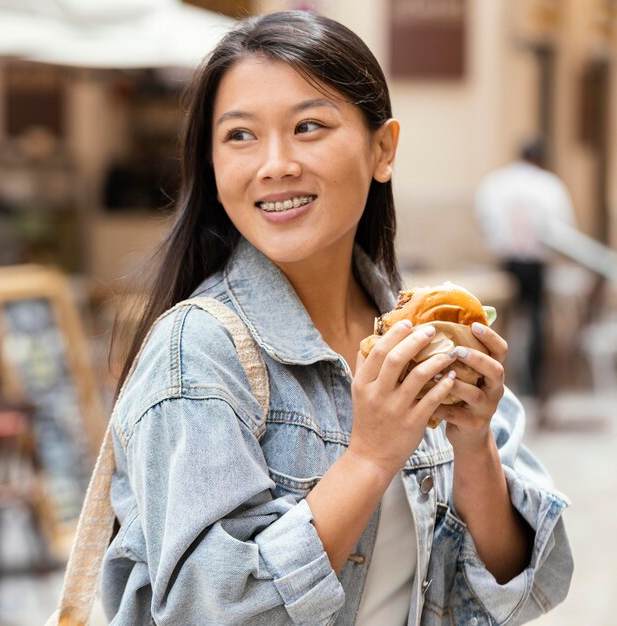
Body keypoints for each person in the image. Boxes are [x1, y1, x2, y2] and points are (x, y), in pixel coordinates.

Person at [101, 12, 573, 625]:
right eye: (240, 136)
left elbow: (523, 587)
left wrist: (474, 442)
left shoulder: (420, 335)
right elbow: (205, 610)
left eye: (308, 126)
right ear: (213, 169)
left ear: (383, 149)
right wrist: (371, 457)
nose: (275, 163)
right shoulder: (197, 350)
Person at [474, 137, 577, 397]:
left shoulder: (498, 182)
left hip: (508, 259)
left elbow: (485, 216)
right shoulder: (549, 185)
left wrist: (498, 240)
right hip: (535, 262)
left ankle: (499, 376)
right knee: (536, 321)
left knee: (503, 317)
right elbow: (561, 225)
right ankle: (533, 382)